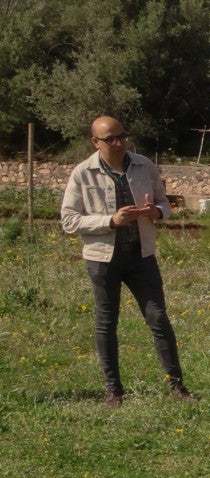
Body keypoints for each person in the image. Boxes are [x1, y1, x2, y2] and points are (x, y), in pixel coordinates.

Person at [59, 116, 191, 407]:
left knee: (158, 318)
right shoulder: (83, 173)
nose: (120, 143)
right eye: (111, 139)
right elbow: (69, 220)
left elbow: (164, 204)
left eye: (123, 136)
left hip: (141, 255)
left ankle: (177, 386)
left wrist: (155, 212)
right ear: (96, 142)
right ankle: (113, 390)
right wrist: (111, 220)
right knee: (107, 322)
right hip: (103, 259)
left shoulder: (144, 165)